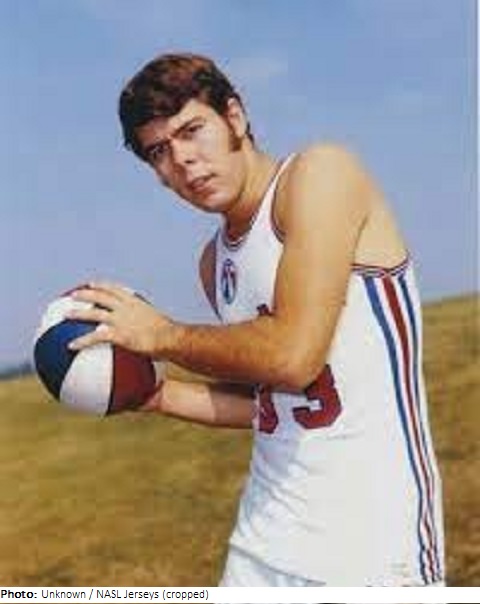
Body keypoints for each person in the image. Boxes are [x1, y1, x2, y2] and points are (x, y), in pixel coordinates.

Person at [67, 52, 445, 587]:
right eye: (159, 151)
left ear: (235, 117)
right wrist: (153, 395)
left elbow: (293, 358)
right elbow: (266, 403)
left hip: (372, 544)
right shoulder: (214, 261)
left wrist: (162, 335)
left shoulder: (320, 174)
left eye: (191, 131)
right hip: (264, 540)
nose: (182, 160)